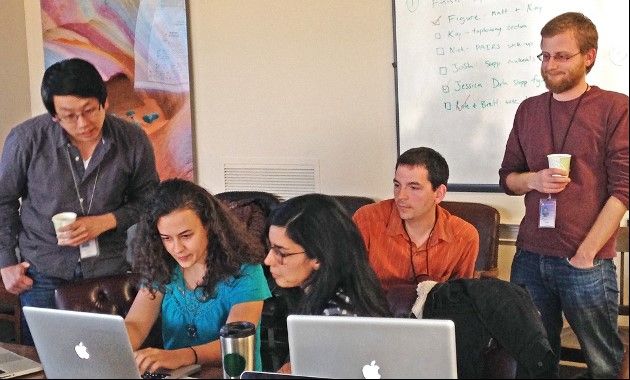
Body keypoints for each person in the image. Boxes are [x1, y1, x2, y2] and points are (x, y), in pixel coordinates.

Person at [499, 12, 628, 378]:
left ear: (589, 56)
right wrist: (534, 181)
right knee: (533, 361)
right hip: (529, 257)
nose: (550, 65)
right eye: (545, 55)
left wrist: (586, 254)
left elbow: (624, 189)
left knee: (603, 364)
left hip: (584, 261)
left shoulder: (614, 108)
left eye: (562, 56)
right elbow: (507, 178)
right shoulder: (528, 110)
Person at [0, 58, 159, 345]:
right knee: (49, 362)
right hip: (42, 272)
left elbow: (151, 199)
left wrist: (108, 221)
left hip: (108, 271)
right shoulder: (27, 140)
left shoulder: (132, 140)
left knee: (107, 361)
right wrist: (6, 262)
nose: (83, 123)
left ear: (104, 102)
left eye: (89, 110)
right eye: (69, 115)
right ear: (54, 115)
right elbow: (4, 201)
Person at [125, 179, 271, 374]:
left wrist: (179, 356)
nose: (177, 249)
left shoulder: (246, 270)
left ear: (209, 226)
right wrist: (111, 344)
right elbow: (136, 324)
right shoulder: (161, 265)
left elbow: (236, 343)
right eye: (166, 238)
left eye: (186, 236)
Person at [265, 193, 391, 372]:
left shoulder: (337, 317)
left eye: (281, 252)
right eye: (271, 247)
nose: (268, 260)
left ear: (318, 257)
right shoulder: (327, 292)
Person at [353, 147, 479, 291]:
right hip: (375, 311)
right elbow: (348, 284)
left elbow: (460, 301)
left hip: (432, 312)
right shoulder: (367, 220)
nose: (400, 196)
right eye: (397, 185)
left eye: (413, 188)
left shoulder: (464, 236)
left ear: (439, 193)